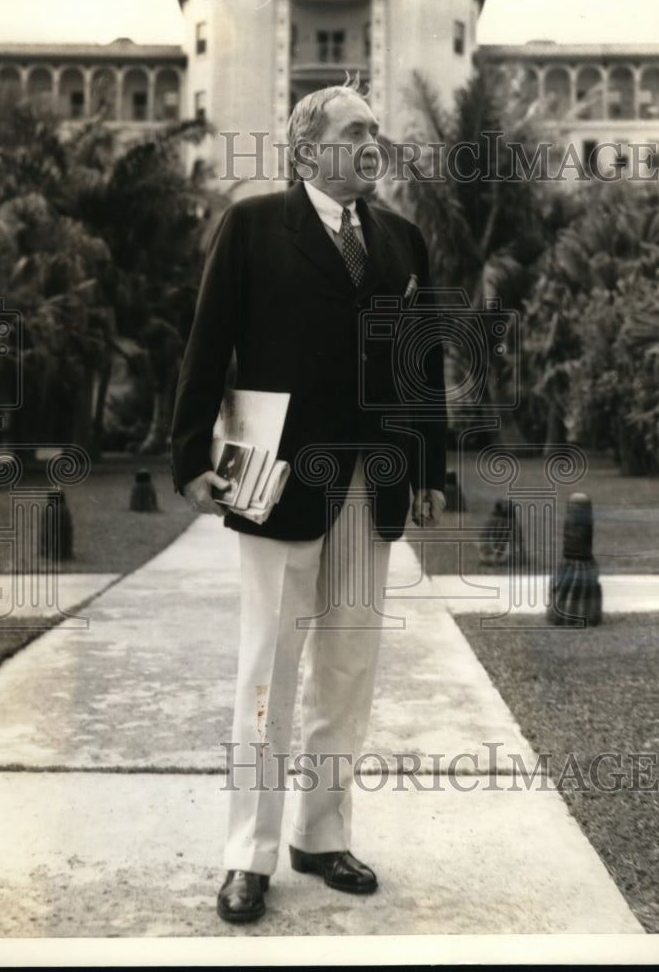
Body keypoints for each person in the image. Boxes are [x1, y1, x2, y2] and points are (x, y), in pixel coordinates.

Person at [170, 80, 447, 924]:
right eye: (355, 129)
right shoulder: (253, 227)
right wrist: (188, 456)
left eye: (377, 129)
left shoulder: (401, 239)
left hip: (375, 482)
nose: (374, 141)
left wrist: (431, 466)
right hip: (279, 482)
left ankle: (321, 838)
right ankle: (245, 856)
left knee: (347, 669)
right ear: (306, 150)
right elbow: (207, 342)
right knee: (267, 672)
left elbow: (419, 363)